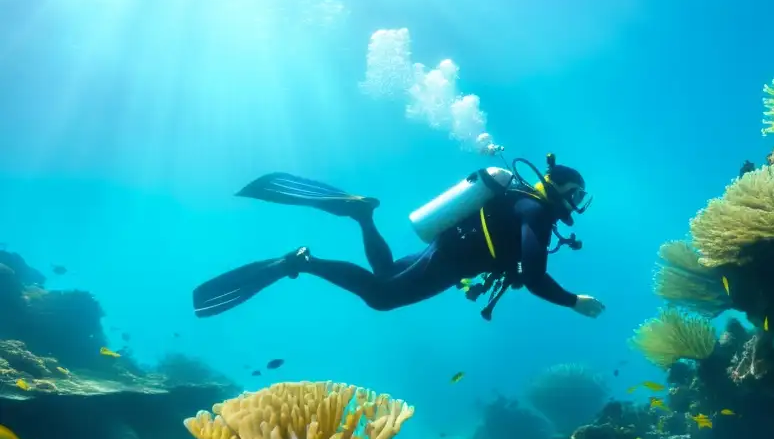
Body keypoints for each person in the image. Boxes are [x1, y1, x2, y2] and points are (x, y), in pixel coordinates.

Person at [192, 157, 606, 320]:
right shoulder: (534, 212)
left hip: (448, 250)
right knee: (381, 296)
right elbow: (534, 277)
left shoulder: (518, 201)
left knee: (386, 271)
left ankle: (362, 215)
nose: (578, 204)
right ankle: (301, 262)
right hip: (450, 261)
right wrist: (574, 301)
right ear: (559, 189)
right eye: (577, 194)